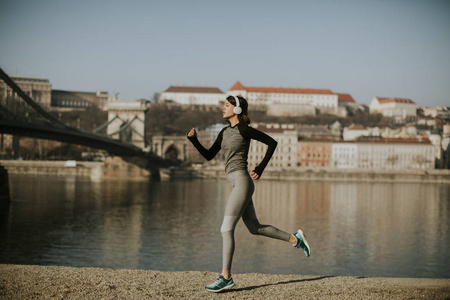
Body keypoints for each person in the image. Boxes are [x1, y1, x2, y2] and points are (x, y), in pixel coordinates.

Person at [187, 95, 310, 293]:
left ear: (236, 109)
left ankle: (226, 277)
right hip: (235, 183)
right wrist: (194, 141)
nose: (222, 108)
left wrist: (260, 167)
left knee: (226, 229)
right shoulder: (224, 132)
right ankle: (296, 239)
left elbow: (272, 143)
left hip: (242, 182)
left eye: (226, 105)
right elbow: (209, 155)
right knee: (254, 228)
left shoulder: (243, 129)